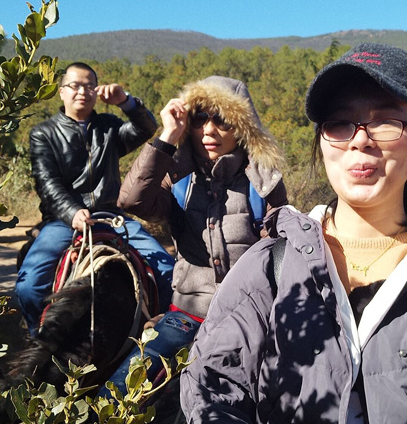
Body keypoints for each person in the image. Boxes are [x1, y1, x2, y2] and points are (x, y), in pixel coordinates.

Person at [180, 44, 407, 423]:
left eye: (386, 122)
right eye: (340, 123)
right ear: (322, 144)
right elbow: (213, 387)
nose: (360, 139)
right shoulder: (272, 263)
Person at [101, 75, 288, 397]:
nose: (210, 131)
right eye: (200, 119)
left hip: (249, 320)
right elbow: (131, 201)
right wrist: (168, 136)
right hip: (187, 314)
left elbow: (281, 256)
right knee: (118, 397)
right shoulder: (178, 179)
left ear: (242, 128)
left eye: (224, 121)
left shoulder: (263, 184)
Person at [15, 62, 174, 336]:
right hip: (63, 222)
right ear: (62, 92)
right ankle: (37, 337)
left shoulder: (109, 127)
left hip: (112, 219)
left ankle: (161, 335)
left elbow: (146, 128)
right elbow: (47, 183)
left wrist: (125, 102)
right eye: (75, 85)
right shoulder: (44, 133)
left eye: (90, 86)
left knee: (168, 271)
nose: (83, 92)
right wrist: (72, 212)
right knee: (29, 287)